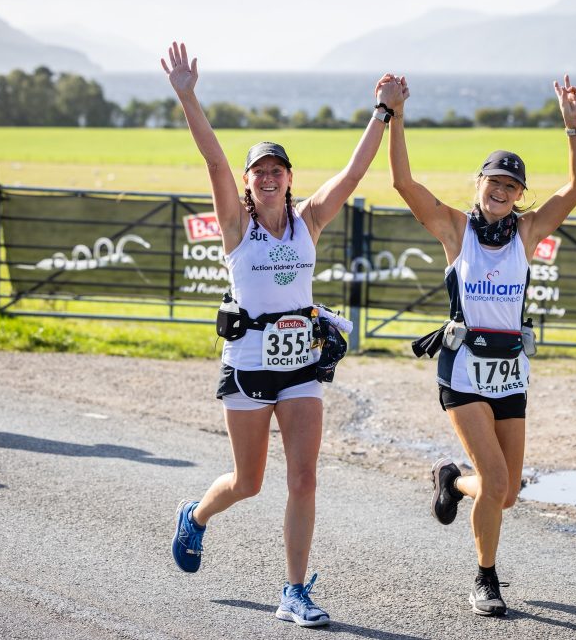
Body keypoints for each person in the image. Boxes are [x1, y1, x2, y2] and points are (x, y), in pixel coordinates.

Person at [162, 41, 402, 628]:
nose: (268, 178)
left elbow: (354, 172)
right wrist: (189, 96)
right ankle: (195, 516)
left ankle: (294, 591)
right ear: (248, 184)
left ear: (289, 178)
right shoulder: (237, 226)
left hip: (300, 365)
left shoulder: (309, 221)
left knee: (304, 477)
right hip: (247, 363)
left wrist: (383, 112)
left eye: (277, 170)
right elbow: (215, 163)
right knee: (249, 481)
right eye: (259, 172)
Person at [387, 74, 576, 616]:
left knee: (508, 491)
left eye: (511, 187)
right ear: (478, 183)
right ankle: (486, 580)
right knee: (497, 479)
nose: (500, 193)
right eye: (493, 183)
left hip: (511, 371)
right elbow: (404, 183)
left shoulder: (526, 234)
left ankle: (453, 482)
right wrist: (395, 115)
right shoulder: (456, 230)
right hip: (463, 371)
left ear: (519, 195)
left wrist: (573, 127)